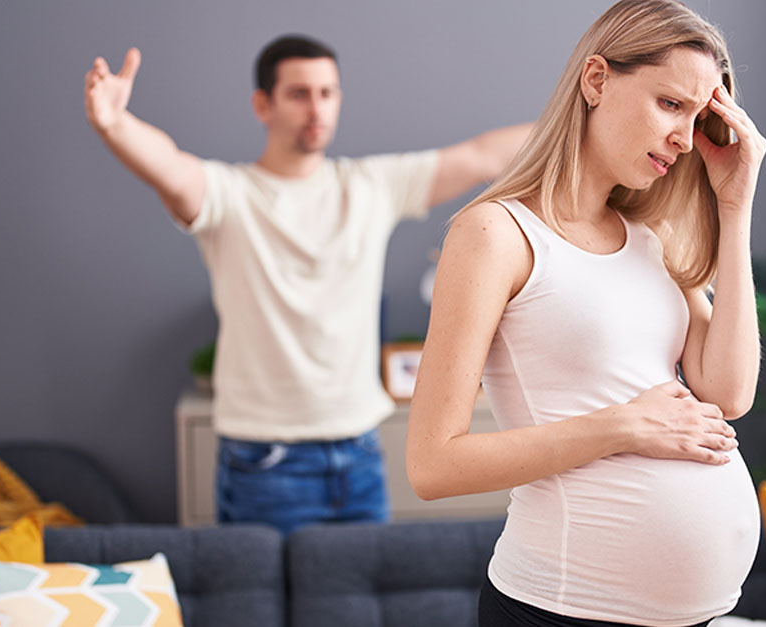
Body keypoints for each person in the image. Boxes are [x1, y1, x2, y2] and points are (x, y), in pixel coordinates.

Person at [404, 1, 766, 625]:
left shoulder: (649, 238)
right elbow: (433, 465)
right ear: (597, 80)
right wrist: (623, 427)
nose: (684, 139)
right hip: (561, 610)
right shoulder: (496, 233)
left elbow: (730, 393)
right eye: (670, 104)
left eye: (698, 117)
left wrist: (735, 207)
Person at [84, 35, 532, 535]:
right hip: (264, 462)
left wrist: (583, 118)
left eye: (327, 93)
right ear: (263, 104)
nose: (316, 107)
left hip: (360, 454)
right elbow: (168, 165)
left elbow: (480, 155)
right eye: (299, 94)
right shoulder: (228, 195)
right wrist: (114, 124)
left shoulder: (372, 187)